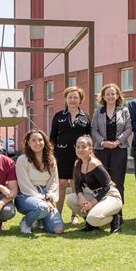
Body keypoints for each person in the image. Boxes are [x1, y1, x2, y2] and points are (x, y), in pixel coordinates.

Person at [50, 86, 91, 224]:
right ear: (66, 99)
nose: (73, 100)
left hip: (79, 156)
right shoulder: (58, 116)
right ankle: (58, 215)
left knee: (76, 184)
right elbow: (52, 138)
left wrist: (88, 157)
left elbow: (89, 137)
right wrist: (51, 155)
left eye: (76, 97)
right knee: (61, 184)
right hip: (61, 155)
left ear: (80, 100)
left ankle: (75, 216)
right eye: (70, 97)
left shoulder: (85, 116)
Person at [91, 83, 132, 219]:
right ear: (103, 96)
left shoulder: (124, 110)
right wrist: (102, 141)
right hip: (101, 149)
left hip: (119, 149)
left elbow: (128, 128)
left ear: (117, 95)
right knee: (102, 180)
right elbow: (93, 129)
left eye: (113, 93)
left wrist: (117, 141)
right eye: (107, 94)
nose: (110, 96)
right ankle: (102, 210)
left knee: (118, 181)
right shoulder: (98, 111)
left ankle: (118, 213)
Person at [66, 135, 122, 233]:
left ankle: (114, 218)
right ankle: (91, 224)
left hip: (110, 195)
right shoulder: (77, 164)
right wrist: (82, 199)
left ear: (90, 149)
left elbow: (106, 187)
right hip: (95, 195)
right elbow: (77, 185)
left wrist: (91, 203)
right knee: (71, 199)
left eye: (84, 147)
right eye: (78, 147)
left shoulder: (95, 164)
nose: (80, 149)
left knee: (93, 218)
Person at [15, 129, 64, 234]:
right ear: (28, 143)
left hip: (46, 197)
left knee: (58, 229)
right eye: (33, 140)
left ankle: (40, 219)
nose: (37, 143)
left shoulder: (51, 159)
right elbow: (25, 185)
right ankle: (26, 222)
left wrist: (49, 197)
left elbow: (54, 182)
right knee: (42, 207)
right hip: (26, 196)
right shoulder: (22, 160)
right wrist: (43, 200)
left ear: (45, 142)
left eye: (40, 140)